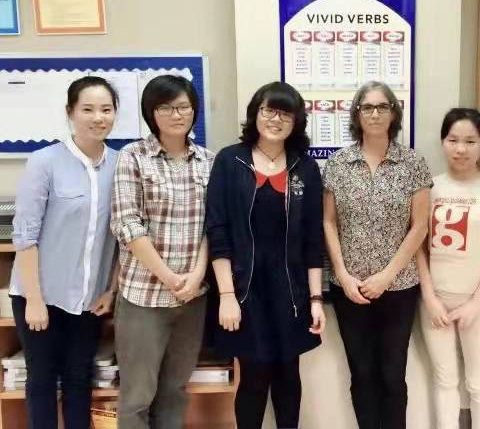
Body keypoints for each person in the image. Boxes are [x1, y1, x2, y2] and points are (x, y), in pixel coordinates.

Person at [206, 81, 326, 429]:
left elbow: (312, 239)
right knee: (254, 377)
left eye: (285, 113)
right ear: (255, 114)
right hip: (244, 289)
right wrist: (227, 295)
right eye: (269, 110)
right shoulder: (230, 160)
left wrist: (315, 299)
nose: (276, 119)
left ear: (296, 121)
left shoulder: (305, 167)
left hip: (291, 291)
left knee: (288, 376)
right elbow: (217, 231)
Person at [10, 76, 120, 429]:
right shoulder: (44, 162)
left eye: (106, 109)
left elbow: (122, 237)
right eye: (88, 109)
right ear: (70, 112)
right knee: (42, 379)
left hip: (89, 298)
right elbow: (25, 236)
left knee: (78, 379)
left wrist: (111, 290)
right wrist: (34, 299)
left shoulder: (120, 165)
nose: (98, 117)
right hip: (41, 296)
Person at [323, 80, 432, 429]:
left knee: (392, 373)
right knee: (362, 372)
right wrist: (342, 274)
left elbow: (420, 226)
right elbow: (328, 222)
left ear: (394, 113)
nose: (374, 114)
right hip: (349, 288)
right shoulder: (339, 164)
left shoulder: (412, 162)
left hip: (398, 288)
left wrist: (387, 276)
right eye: (367, 107)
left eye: (382, 106)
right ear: (357, 114)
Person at [110, 75, 214, 429]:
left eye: (183, 107)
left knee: (174, 391)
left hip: (192, 298)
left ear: (194, 111)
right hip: (144, 297)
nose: (176, 114)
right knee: (137, 397)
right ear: (151, 113)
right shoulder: (133, 157)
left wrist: (196, 276)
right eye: (166, 108)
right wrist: (169, 278)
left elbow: (213, 226)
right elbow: (127, 225)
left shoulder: (208, 161)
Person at [417, 108, 480, 429]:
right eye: (453, 140)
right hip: (435, 302)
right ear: (443, 142)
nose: (461, 149)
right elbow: (418, 246)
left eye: (470, 141)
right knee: (444, 380)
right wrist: (430, 298)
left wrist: (476, 303)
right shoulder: (428, 188)